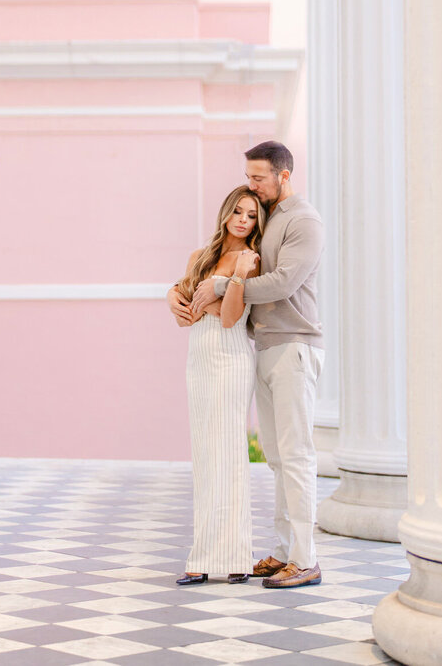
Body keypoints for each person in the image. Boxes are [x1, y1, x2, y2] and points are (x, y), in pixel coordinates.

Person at [169, 141, 325, 589]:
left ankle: (306, 558)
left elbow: (282, 282)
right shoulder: (271, 218)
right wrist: (180, 291)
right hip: (265, 347)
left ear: (284, 175)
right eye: (249, 178)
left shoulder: (303, 221)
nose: (251, 185)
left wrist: (222, 284)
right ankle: (282, 551)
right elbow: (202, 276)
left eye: (258, 177)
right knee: (277, 456)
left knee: (295, 455)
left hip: (295, 345)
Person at [174, 185, 266, 586]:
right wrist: (173, 297)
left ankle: (235, 558)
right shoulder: (201, 256)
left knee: (228, 455)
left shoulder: (250, 259)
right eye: (239, 212)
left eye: (251, 216)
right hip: (199, 356)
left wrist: (231, 283)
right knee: (205, 454)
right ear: (226, 213)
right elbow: (184, 317)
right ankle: (202, 556)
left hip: (230, 357)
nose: (243, 221)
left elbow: (229, 318)